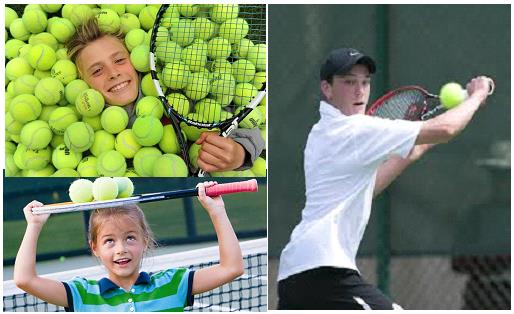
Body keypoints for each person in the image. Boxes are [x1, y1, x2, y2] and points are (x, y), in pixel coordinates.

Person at [277, 47, 493, 310]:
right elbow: (446, 129)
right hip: (324, 272)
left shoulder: (322, 132)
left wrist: (423, 143)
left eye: (365, 82)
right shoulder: (354, 129)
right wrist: (477, 95)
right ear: (327, 88)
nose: (359, 91)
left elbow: (370, 185)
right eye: (348, 82)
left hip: (296, 275)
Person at [66, 18, 264, 173]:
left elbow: (237, 118)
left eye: (119, 60)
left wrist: (239, 153)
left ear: (134, 59)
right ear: (84, 83)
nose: (113, 73)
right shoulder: (85, 129)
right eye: (97, 71)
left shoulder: (172, 89)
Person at [14, 182, 244, 311]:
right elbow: (25, 280)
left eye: (130, 238)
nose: (121, 249)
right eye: (109, 241)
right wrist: (34, 226)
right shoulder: (81, 294)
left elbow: (231, 268)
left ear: (145, 240)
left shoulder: (173, 284)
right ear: (94, 248)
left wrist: (217, 211)